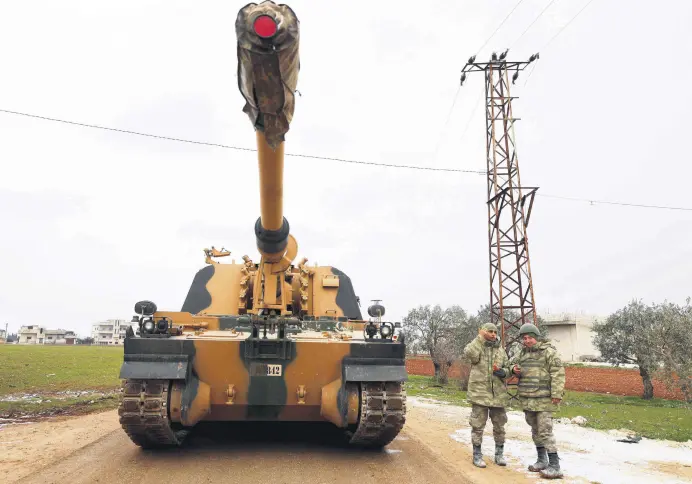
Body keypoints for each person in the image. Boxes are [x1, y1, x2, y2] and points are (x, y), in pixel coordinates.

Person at [510, 323, 565, 479]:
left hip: (544, 399)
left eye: (530, 338)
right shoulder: (522, 354)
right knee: (535, 431)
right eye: (524, 338)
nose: (527, 341)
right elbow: (511, 367)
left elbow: (558, 374)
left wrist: (557, 394)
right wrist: (514, 370)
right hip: (528, 399)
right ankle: (542, 460)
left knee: (545, 431)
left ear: (536, 337)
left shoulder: (548, 353)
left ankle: (555, 466)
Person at [462, 322, 511, 468]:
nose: (493, 334)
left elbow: (508, 369)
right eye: (490, 331)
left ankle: (499, 454)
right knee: (477, 426)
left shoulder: (501, 351)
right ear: (482, 331)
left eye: (495, 332)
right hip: (480, 394)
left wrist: (503, 372)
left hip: (498, 395)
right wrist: (479, 338)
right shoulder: (477, 346)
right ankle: (477, 455)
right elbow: (470, 354)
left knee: (500, 426)